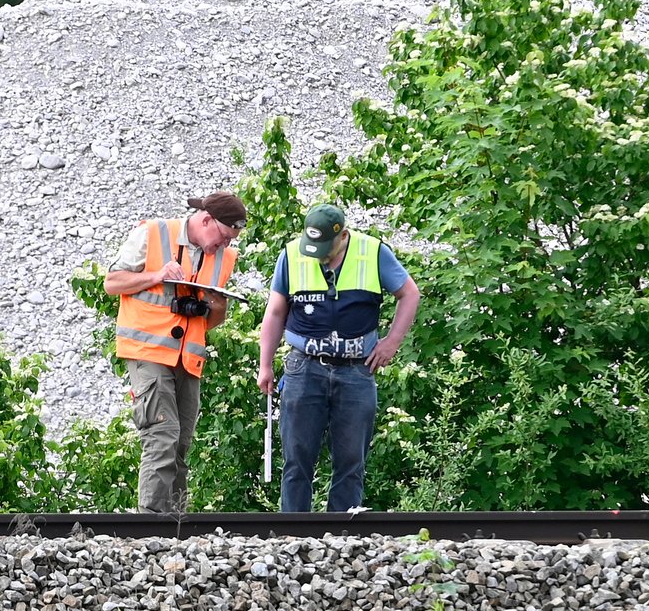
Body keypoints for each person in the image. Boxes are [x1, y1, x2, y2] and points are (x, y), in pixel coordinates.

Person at [257, 203, 421, 512]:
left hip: (356, 371)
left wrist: (391, 343)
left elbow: (410, 294)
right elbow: (276, 311)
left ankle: (343, 538)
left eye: (323, 248)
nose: (316, 253)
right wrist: (265, 365)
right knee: (297, 460)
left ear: (343, 236)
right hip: (303, 367)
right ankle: (292, 536)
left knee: (350, 462)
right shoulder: (291, 255)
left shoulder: (372, 252)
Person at [104, 191, 247, 513]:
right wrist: (157, 276)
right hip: (148, 351)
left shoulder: (224, 257)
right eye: (224, 237)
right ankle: (150, 523)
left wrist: (216, 306)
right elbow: (112, 283)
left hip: (188, 358)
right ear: (207, 220)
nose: (224, 245)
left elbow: (212, 321)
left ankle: (176, 525)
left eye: (231, 240)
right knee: (162, 434)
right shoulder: (154, 234)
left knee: (180, 444)